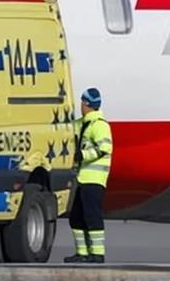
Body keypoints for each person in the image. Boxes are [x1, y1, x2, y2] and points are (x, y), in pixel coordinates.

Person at [64, 88, 113, 264]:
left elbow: (104, 148)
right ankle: (82, 253)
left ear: (86, 104)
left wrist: (82, 156)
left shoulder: (99, 125)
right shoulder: (84, 123)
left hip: (94, 179)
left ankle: (97, 254)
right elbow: (69, 129)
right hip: (82, 178)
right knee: (76, 217)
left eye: (82, 103)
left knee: (92, 216)